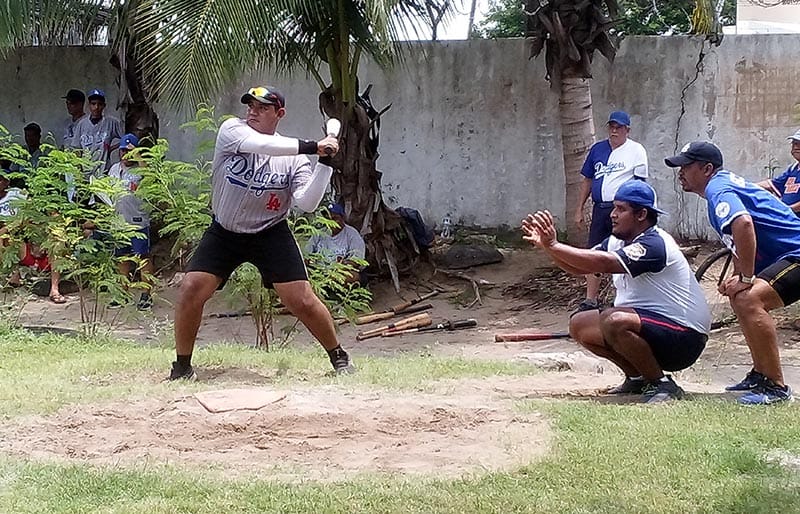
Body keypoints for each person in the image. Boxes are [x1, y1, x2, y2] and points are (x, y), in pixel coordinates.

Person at [169, 85, 352, 381]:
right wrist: (314, 146)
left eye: (262, 108)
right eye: (250, 106)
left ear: (279, 114)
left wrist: (326, 162)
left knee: (301, 300)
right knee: (191, 287)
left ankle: (339, 356)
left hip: (270, 232)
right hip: (225, 231)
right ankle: (182, 367)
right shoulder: (232, 130)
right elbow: (263, 146)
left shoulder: (294, 159)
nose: (252, 111)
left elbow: (307, 203)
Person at [523, 181, 710, 403]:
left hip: (684, 338)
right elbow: (582, 266)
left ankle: (663, 384)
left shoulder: (655, 243)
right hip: (653, 328)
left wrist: (554, 245)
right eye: (614, 208)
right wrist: (548, 247)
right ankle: (637, 378)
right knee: (580, 324)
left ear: (641, 214)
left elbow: (603, 263)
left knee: (614, 320)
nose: (612, 214)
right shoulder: (616, 241)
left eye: (620, 209)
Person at [666, 141, 800, 404]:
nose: (680, 172)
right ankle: (762, 374)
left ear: (706, 169)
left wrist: (747, 278)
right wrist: (739, 277)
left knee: (750, 298)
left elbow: (743, 223)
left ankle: (776, 388)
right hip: (790, 255)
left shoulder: (718, 188)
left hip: (797, 253)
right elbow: (737, 239)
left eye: (686, 166)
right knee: (741, 296)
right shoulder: (721, 185)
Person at [574, 111, 649, 314]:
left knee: (629, 250)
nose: (615, 131)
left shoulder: (636, 150)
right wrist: (579, 208)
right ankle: (591, 299)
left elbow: (640, 182)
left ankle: (633, 297)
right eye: (612, 127)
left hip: (625, 209)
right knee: (594, 251)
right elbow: (587, 179)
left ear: (627, 130)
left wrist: (637, 211)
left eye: (619, 127)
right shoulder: (598, 149)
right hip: (601, 208)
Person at [105, 133, 153, 310]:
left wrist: (138, 155)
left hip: (137, 221)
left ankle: (146, 295)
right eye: (123, 150)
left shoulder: (140, 170)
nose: (125, 154)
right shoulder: (114, 169)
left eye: (128, 150)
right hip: (119, 221)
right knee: (121, 258)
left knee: (143, 258)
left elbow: (149, 178)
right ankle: (122, 294)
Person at [306, 203, 367, 285]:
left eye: (335, 218)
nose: (331, 222)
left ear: (342, 218)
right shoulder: (319, 233)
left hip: (340, 272)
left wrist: (343, 265)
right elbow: (306, 255)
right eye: (328, 219)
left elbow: (358, 260)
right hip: (320, 271)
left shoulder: (352, 234)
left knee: (351, 276)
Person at [71, 88, 123, 174]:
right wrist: (78, 170)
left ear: (104, 106)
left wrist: (111, 148)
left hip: (104, 172)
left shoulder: (111, 122)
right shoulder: (82, 124)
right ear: (89, 105)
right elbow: (77, 149)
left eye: (100, 104)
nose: (96, 107)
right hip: (86, 173)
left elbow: (125, 139)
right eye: (93, 104)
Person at [756, 129, 800, 215]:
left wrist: (786, 211)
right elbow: (771, 184)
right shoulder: (793, 169)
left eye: (799, 144)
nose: (796, 147)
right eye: (794, 143)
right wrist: (743, 186)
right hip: (789, 221)